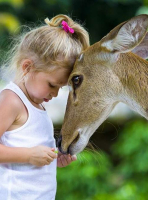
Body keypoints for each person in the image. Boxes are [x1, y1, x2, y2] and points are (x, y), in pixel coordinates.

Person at [0, 14, 89, 200]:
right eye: (52, 85)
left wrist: (53, 161)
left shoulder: (38, 104)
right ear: (27, 67)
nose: (55, 94)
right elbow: (28, 154)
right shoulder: (12, 100)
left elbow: (29, 155)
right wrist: (29, 155)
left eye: (60, 87)